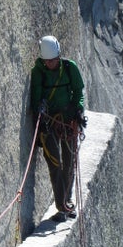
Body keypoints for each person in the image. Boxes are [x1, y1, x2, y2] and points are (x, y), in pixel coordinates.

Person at [30, 35, 86, 222]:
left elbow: (78, 92)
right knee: (55, 163)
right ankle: (62, 207)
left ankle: (66, 203)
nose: (50, 64)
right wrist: (41, 113)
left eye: (53, 60)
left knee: (69, 162)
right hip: (49, 123)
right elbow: (36, 99)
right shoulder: (38, 73)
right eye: (47, 61)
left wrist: (78, 109)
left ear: (58, 57)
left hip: (68, 121)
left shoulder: (70, 68)